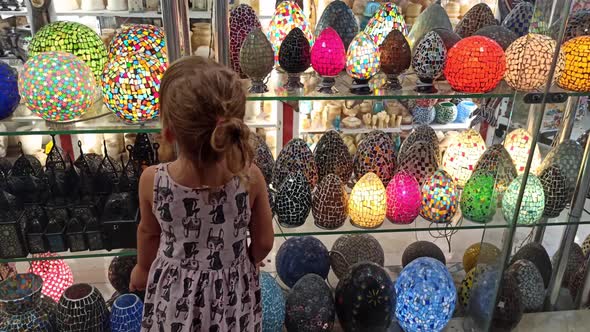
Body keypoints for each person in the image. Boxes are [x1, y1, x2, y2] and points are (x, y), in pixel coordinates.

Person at [129, 56, 274, 332]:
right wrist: (249, 258)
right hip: (233, 296)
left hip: (174, 295)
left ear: (169, 132)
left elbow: (148, 233)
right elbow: (264, 241)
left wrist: (142, 270)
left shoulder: (153, 181)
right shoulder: (251, 177)